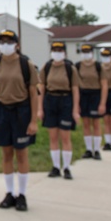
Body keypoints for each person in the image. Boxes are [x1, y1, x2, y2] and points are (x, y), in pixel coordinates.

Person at [0, 30, 40, 211]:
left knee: (21, 153)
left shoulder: (26, 64)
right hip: (2, 111)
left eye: (9, 41)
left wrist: (33, 120)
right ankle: (9, 193)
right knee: (6, 153)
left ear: (17, 44)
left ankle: (22, 194)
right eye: (2, 41)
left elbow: (34, 93)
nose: (5, 44)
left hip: (21, 111)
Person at [39, 41, 81, 179]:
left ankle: (67, 167)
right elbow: (42, 88)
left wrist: (75, 110)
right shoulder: (47, 67)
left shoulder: (70, 68)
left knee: (65, 136)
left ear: (65, 52)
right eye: (54, 49)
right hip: (50, 100)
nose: (57, 52)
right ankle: (56, 166)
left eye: (60, 50)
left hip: (65, 101)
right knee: (53, 136)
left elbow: (75, 89)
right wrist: (40, 108)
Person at [76, 43, 108, 161]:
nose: (86, 54)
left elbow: (104, 85)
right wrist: (77, 104)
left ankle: (97, 150)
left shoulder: (99, 66)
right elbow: (76, 85)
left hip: (96, 94)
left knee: (96, 123)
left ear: (92, 52)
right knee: (85, 123)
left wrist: (102, 103)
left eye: (88, 52)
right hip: (83, 95)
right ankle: (89, 149)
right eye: (84, 52)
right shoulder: (78, 66)